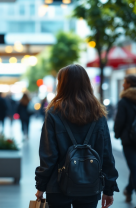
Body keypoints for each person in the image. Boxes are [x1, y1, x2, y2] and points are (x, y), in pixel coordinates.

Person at [35, 65, 119, 208]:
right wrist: (109, 188)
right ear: (87, 83)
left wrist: (41, 185)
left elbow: (49, 155)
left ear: (62, 85)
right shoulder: (99, 114)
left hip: (58, 185)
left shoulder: (54, 113)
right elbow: (106, 154)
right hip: (90, 184)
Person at [114, 75, 136, 203]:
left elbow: (119, 121)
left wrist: (117, 134)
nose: (123, 85)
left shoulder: (124, 101)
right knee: (134, 167)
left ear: (129, 84)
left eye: (125, 83)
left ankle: (129, 189)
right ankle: (128, 189)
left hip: (128, 139)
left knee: (134, 168)